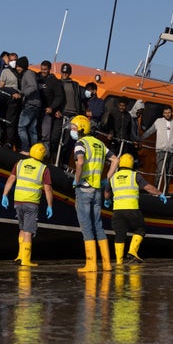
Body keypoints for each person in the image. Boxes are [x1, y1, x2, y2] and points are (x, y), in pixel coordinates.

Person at [104, 153, 167, 264]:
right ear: (131, 164)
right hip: (132, 210)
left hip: (117, 212)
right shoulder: (135, 175)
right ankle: (132, 251)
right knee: (140, 229)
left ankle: (119, 262)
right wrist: (160, 193)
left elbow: (107, 194)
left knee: (119, 235)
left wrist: (107, 201)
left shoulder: (113, 178)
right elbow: (148, 187)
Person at [1, 143, 54, 267]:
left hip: (18, 201)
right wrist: (50, 205)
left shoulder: (19, 163)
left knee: (22, 229)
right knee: (29, 231)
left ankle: (19, 256)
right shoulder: (43, 169)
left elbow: (11, 179)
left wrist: (4, 194)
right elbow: (48, 189)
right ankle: (26, 260)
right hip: (31, 203)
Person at [69, 114, 110, 273]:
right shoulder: (99, 143)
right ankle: (106, 264)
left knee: (86, 226)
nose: (72, 131)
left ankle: (91, 264)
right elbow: (115, 160)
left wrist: (76, 180)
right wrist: (107, 178)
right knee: (98, 225)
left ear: (81, 128)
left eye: (73, 128)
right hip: (97, 189)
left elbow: (79, 162)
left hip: (84, 188)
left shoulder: (80, 143)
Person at [140, 105, 173, 193]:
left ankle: (165, 191)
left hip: (171, 151)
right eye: (165, 113)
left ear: (172, 113)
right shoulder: (158, 122)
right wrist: (140, 138)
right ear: (163, 114)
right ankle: (156, 189)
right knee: (159, 171)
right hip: (160, 150)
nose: (167, 114)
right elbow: (150, 131)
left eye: (169, 113)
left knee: (168, 172)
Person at [16, 56, 42, 149]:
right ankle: (34, 150)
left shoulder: (28, 74)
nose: (17, 68)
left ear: (22, 66)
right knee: (32, 129)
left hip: (30, 104)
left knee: (21, 127)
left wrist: (22, 94)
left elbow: (33, 86)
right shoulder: (28, 74)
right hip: (35, 105)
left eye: (18, 66)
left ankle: (25, 149)